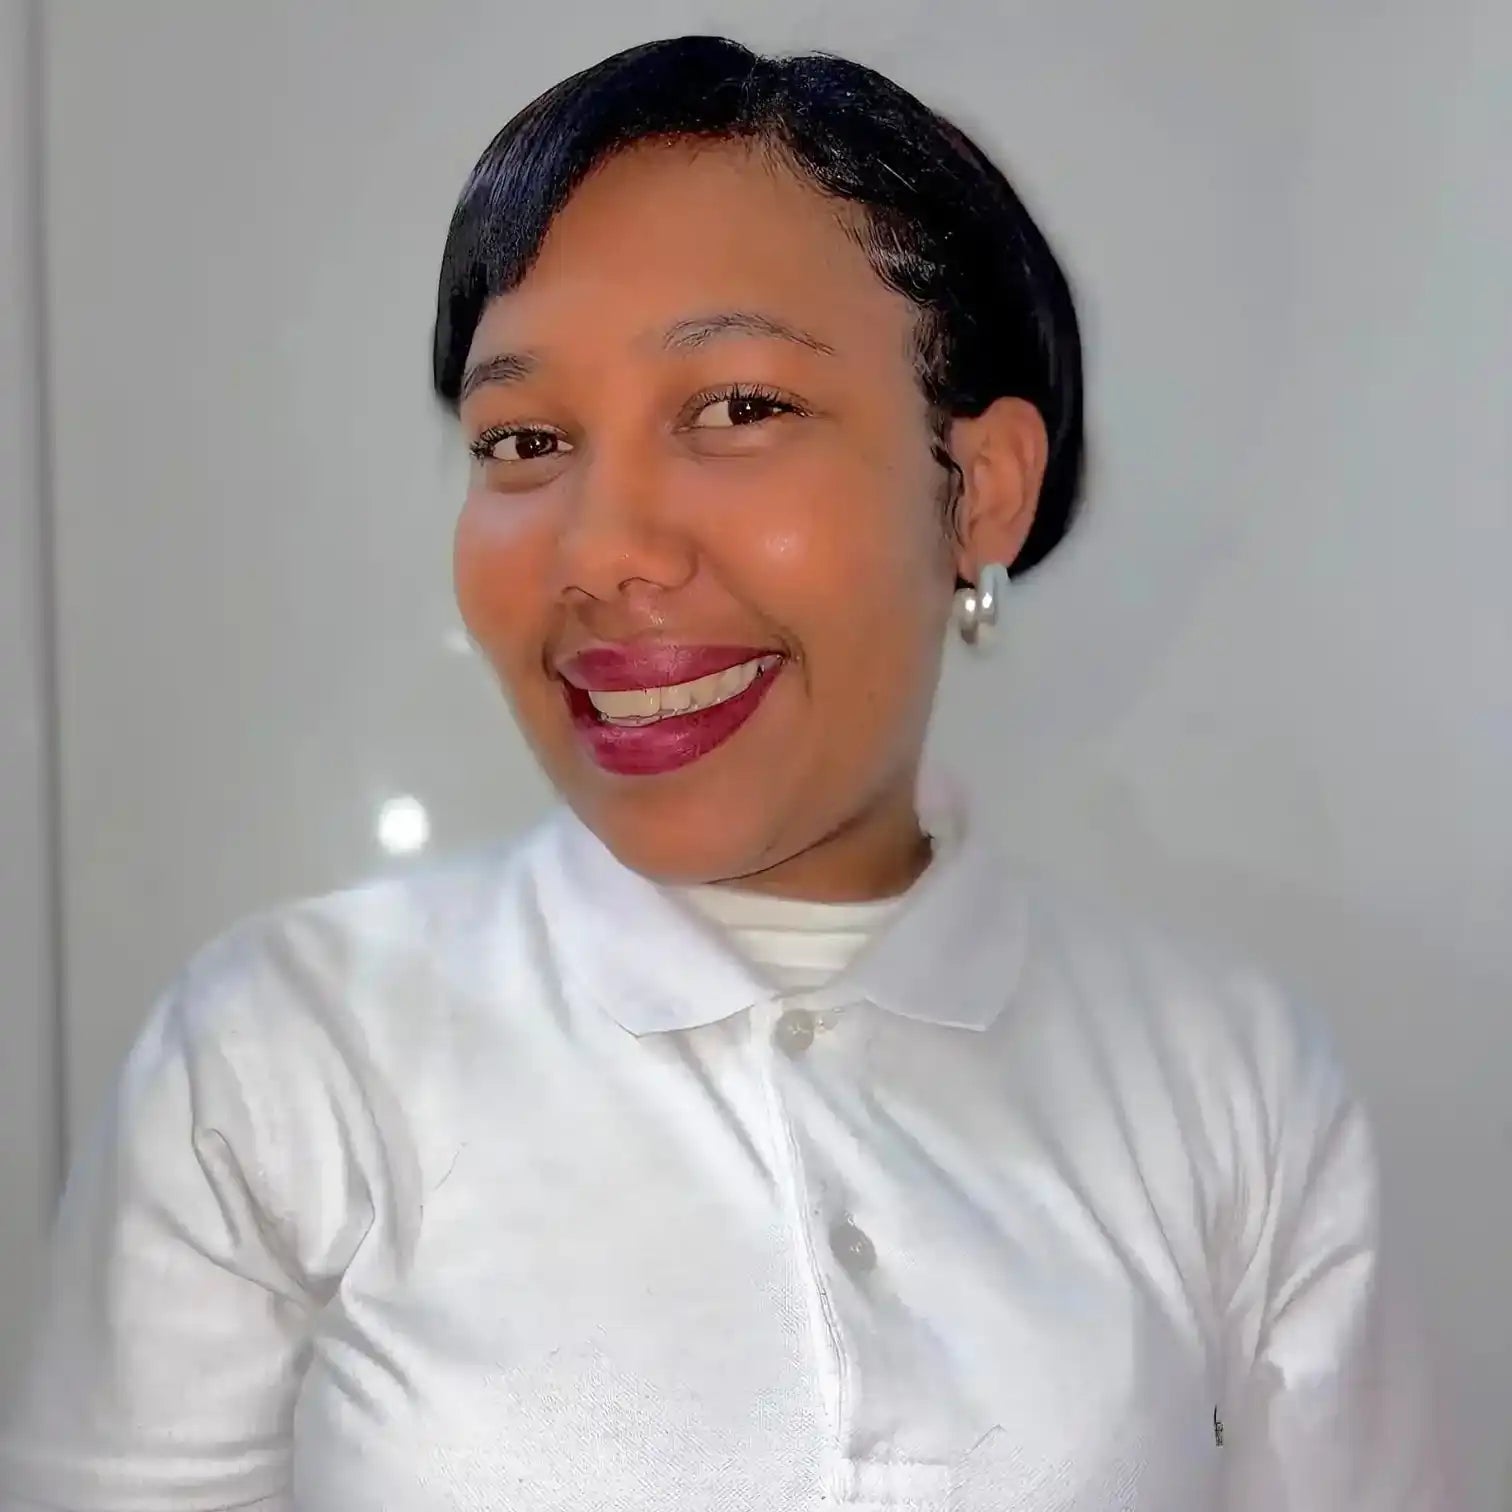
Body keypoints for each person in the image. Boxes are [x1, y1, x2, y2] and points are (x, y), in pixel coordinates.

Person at [0, 35, 1451, 1512]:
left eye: (741, 407)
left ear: (980, 491)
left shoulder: (1229, 1086)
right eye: (524, 438)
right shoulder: (281, 1062)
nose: (603, 548)